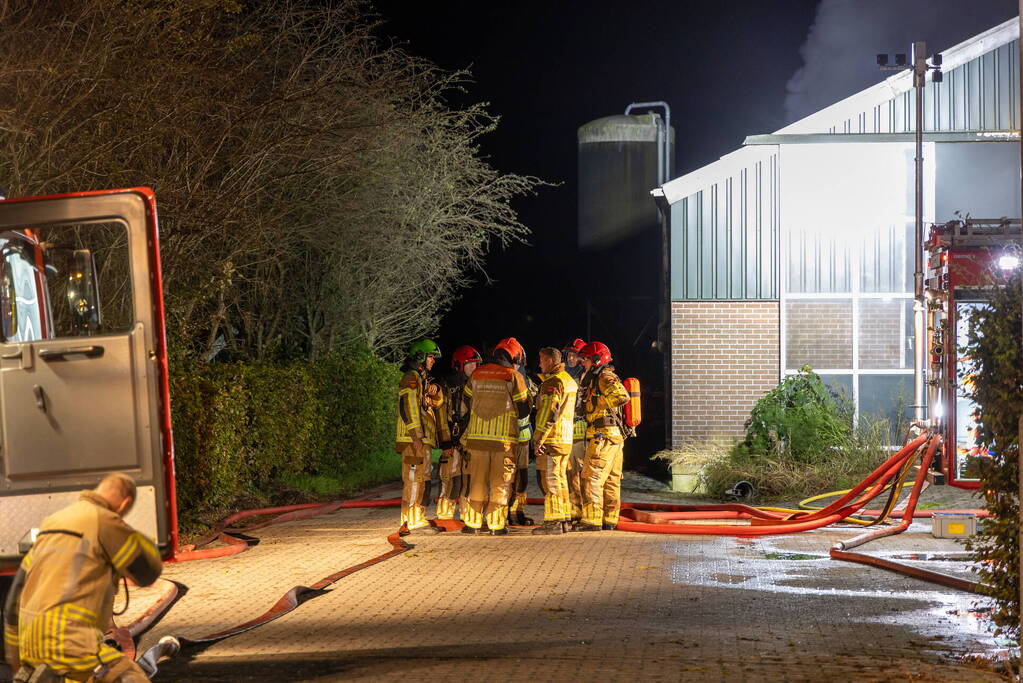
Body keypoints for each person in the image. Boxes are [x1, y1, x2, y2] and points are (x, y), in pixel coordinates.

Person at [3, 473, 162, 682]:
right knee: (130, 676)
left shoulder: (51, 523)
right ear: (125, 503)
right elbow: (147, 573)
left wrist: (14, 657)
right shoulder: (105, 521)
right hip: (70, 644)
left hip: (31, 646)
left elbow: (15, 595)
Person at [459, 338, 532, 535]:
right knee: (500, 484)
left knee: (477, 482)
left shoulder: (476, 374)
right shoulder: (513, 376)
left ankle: (472, 524)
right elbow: (524, 408)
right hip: (503, 441)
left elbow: (465, 401)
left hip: (476, 440)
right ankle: (495, 525)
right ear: (514, 356)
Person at [395, 338, 448, 533]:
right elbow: (408, 406)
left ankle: (417, 518)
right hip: (413, 441)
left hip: (421, 440)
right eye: (431, 357)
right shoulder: (411, 377)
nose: (433, 361)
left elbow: (434, 405)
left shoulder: (422, 379)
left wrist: (436, 392)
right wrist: (416, 436)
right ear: (420, 356)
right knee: (415, 480)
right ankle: (412, 521)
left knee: (422, 478)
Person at [576, 341, 630, 532]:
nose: (583, 363)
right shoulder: (600, 377)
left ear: (597, 360)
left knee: (591, 477)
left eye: (586, 360)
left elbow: (622, 396)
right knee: (611, 480)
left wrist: (596, 403)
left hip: (603, 436)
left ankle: (592, 520)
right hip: (612, 437)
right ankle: (609, 519)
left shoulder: (604, 377)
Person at [531, 348, 578, 535]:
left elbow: (548, 412)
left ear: (550, 361)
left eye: (542, 360)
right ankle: (565, 519)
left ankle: (554, 522)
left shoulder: (553, 382)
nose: (540, 364)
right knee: (560, 480)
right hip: (565, 438)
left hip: (552, 439)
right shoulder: (568, 380)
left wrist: (538, 438)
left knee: (551, 480)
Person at [436, 345, 481, 520]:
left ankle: (467, 514)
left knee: (469, 480)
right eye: (471, 364)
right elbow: (440, 415)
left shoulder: (477, 384)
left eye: (477, 364)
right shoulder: (446, 384)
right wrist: (445, 441)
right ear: (459, 364)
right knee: (450, 480)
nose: (475, 368)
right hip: (452, 440)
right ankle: (444, 516)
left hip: (469, 441)